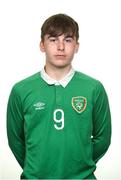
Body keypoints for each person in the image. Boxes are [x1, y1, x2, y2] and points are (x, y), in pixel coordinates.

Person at [7, 13, 111, 179]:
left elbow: (103, 139)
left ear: (77, 46)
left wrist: (80, 161)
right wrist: (37, 166)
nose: (61, 46)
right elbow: (15, 141)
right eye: (53, 39)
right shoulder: (21, 90)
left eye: (68, 40)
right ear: (42, 45)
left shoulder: (94, 88)